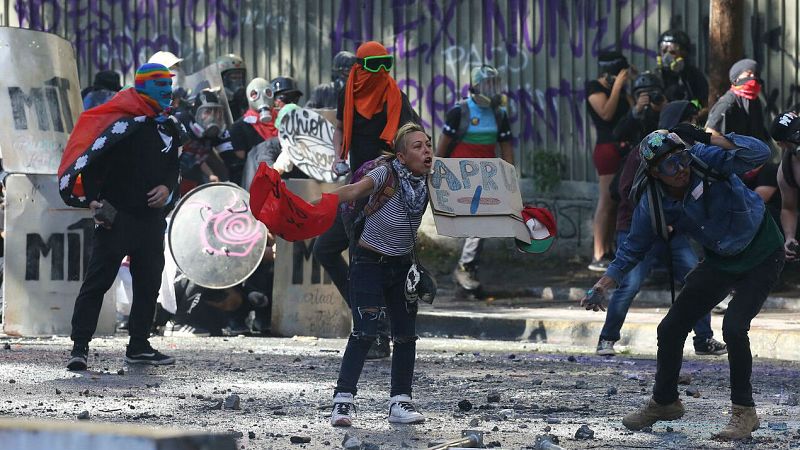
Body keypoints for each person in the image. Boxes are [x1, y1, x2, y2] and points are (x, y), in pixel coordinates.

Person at [582, 127, 783, 440]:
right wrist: (602, 286)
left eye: (682, 159)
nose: (681, 170)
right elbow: (631, 249)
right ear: (653, 172)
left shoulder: (706, 160)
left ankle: (745, 412)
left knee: (733, 326)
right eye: (669, 166)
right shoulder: (652, 203)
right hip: (721, 260)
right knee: (671, 327)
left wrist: (708, 138)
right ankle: (665, 402)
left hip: (762, 250)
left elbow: (760, 153)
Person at [58, 63, 181, 370]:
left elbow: (172, 168)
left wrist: (167, 188)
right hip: (117, 217)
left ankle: (139, 345)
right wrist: (95, 202)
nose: (167, 91)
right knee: (97, 282)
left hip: (151, 219)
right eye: (160, 85)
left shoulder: (168, 125)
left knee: (148, 283)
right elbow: (93, 159)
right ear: (143, 87)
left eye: (169, 85)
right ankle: (79, 348)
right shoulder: (119, 122)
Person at [312, 41, 420, 359]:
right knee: (325, 249)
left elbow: (415, 136)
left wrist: (390, 165)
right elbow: (340, 128)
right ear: (359, 67)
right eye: (374, 65)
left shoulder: (393, 95)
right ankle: (373, 323)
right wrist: (338, 157)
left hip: (383, 193)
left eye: (386, 64)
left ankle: (376, 335)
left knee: (366, 263)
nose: (381, 71)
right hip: (355, 187)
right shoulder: (349, 91)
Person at [596, 100, 726, 357]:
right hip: (638, 230)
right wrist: (655, 215)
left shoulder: (686, 151)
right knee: (629, 284)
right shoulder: (644, 151)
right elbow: (625, 191)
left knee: (696, 280)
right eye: (688, 120)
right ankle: (606, 339)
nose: (694, 126)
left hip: (672, 232)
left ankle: (704, 340)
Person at [328, 122, 433, 427]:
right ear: (401, 156)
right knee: (365, 332)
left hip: (401, 266)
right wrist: (319, 202)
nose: (425, 150)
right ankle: (343, 402)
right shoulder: (386, 172)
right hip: (368, 262)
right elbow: (354, 190)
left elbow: (466, 205)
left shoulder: (432, 181)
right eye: (417, 146)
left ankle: (400, 401)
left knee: (405, 335)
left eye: (427, 144)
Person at [435, 64, 514, 295]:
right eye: (488, 85)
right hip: (460, 178)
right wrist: (435, 179)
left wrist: (509, 180)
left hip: (487, 178)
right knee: (481, 222)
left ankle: (467, 273)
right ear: (477, 86)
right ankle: (465, 267)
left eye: (495, 85)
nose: (492, 90)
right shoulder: (459, 111)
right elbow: (442, 148)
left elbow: (506, 149)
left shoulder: (499, 114)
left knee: (484, 224)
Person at [586, 51, 633, 272]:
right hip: (607, 148)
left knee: (617, 200)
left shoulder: (622, 92)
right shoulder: (594, 88)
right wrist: (616, 88)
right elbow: (605, 113)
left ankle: (610, 248)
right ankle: (598, 253)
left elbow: (631, 114)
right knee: (605, 200)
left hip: (624, 147)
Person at [705, 59, 769, 142]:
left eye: (755, 74)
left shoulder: (755, 101)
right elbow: (711, 135)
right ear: (736, 78)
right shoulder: (728, 103)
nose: (753, 78)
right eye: (749, 74)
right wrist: (735, 149)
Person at [771, 110, 800, 260]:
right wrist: (789, 237)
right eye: (794, 136)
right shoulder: (787, 170)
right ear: (782, 145)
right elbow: (788, 208)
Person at [656, 30, 709, 107]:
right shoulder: (657, 76)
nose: (666, 57)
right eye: (664, 51)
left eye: (672, 52)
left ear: (684, 53)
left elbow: (705, 104)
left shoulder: (693, 76)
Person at [218, 53, 248, 120]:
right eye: (233, 78)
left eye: (240, 78)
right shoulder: (216, 102)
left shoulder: (247, 101)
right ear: (221, 79)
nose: (238, 83)